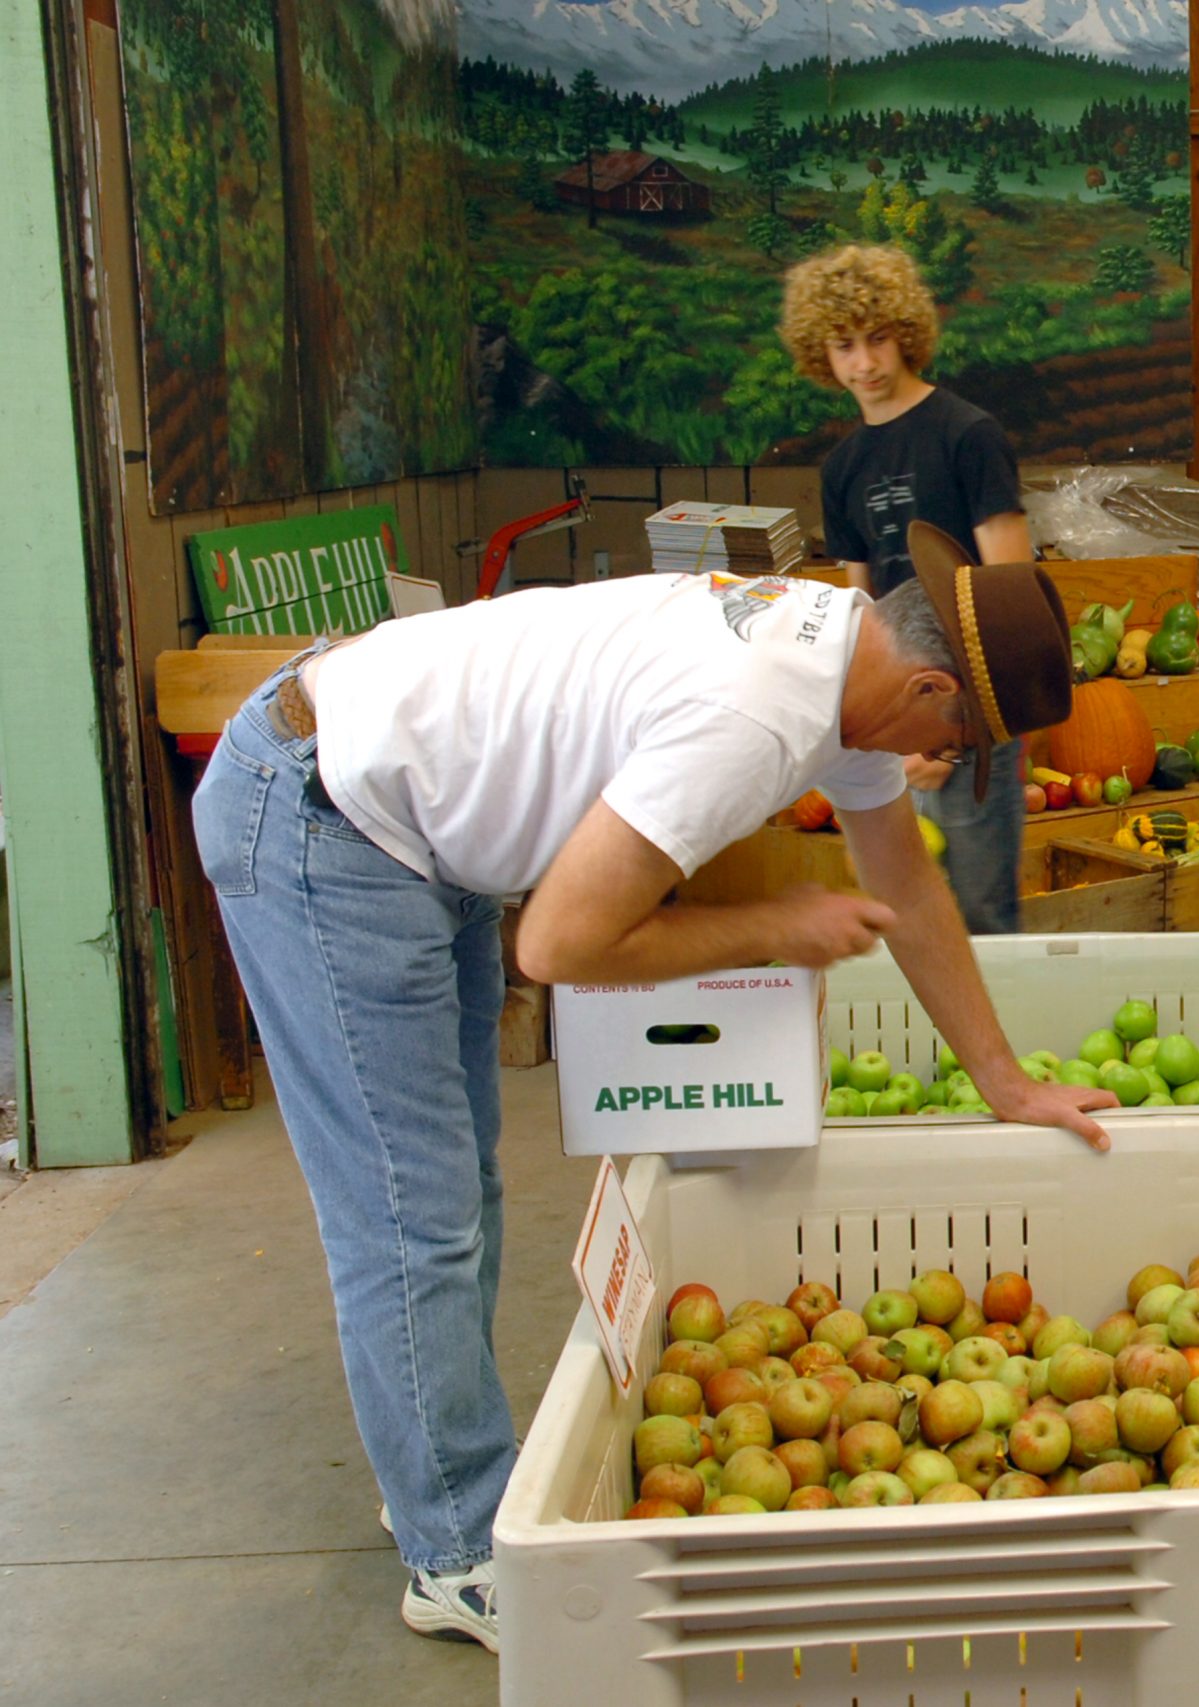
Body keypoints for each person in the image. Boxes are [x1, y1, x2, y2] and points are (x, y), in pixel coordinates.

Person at [190, 523, 1113, 1653]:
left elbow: (906, 887)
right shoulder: (756, 715)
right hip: (325, 818)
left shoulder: (839, 650)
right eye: (954, 743)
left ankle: (435, 1466)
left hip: (410, 808)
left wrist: (1006, 1083)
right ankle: (455, 1553)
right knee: (406, 1215)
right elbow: (562, 945)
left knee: (452, 1191)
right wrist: (777, 925)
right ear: (926, 684)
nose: (938, 766)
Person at [787, 242, 1031, 935]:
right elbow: (855, 613)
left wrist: (954, 734)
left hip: (971, 711)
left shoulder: (968, 435)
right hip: (889, 721)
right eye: (843, 346)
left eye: (876, 339)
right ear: (820, 353)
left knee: (984, 916)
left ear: (908, 333)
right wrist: (878, 734)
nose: (862, 362)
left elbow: (1007, 599)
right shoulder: (841, 468)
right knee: (903, 918)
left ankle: (996, 1046)